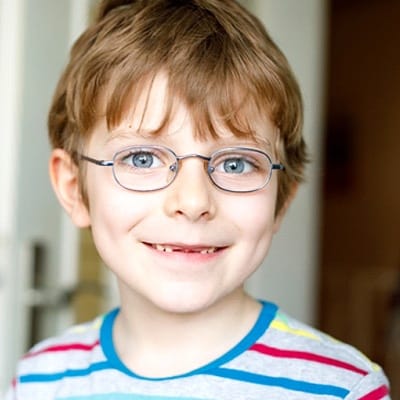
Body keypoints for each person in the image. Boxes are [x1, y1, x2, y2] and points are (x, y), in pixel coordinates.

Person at [6, 0, 391, 398]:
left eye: (236, 164)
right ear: (74, 189)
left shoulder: (343, 389)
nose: (192, 201)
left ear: (283, 197)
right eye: (142, 158)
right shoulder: (40, 379)